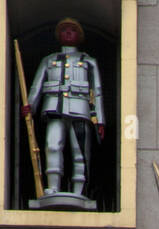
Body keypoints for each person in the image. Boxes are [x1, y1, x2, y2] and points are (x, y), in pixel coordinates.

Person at [23, 18, 105, 201]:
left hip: (80, 110)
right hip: (54, 109)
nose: (68, 32)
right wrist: (30, 105)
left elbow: (96, 91)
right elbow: (36, 87)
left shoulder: (88, 61)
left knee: (80, 152)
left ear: (79, 35)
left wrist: (99, 119)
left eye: (72, 30)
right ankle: (52, 187)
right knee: (52, 146)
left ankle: (79, 190)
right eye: (64, 30)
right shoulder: (49, 60)